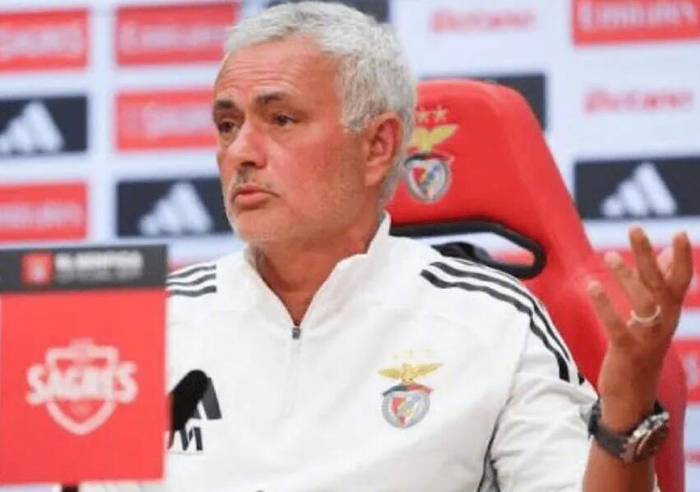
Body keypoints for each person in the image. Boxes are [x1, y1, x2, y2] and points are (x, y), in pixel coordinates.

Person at [85, 2, 693, 491]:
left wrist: (624, 412)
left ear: (377, 147)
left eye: (281, 119)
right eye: (227, 125)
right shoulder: (153, 323)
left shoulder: (492, 320)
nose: (241, 150)